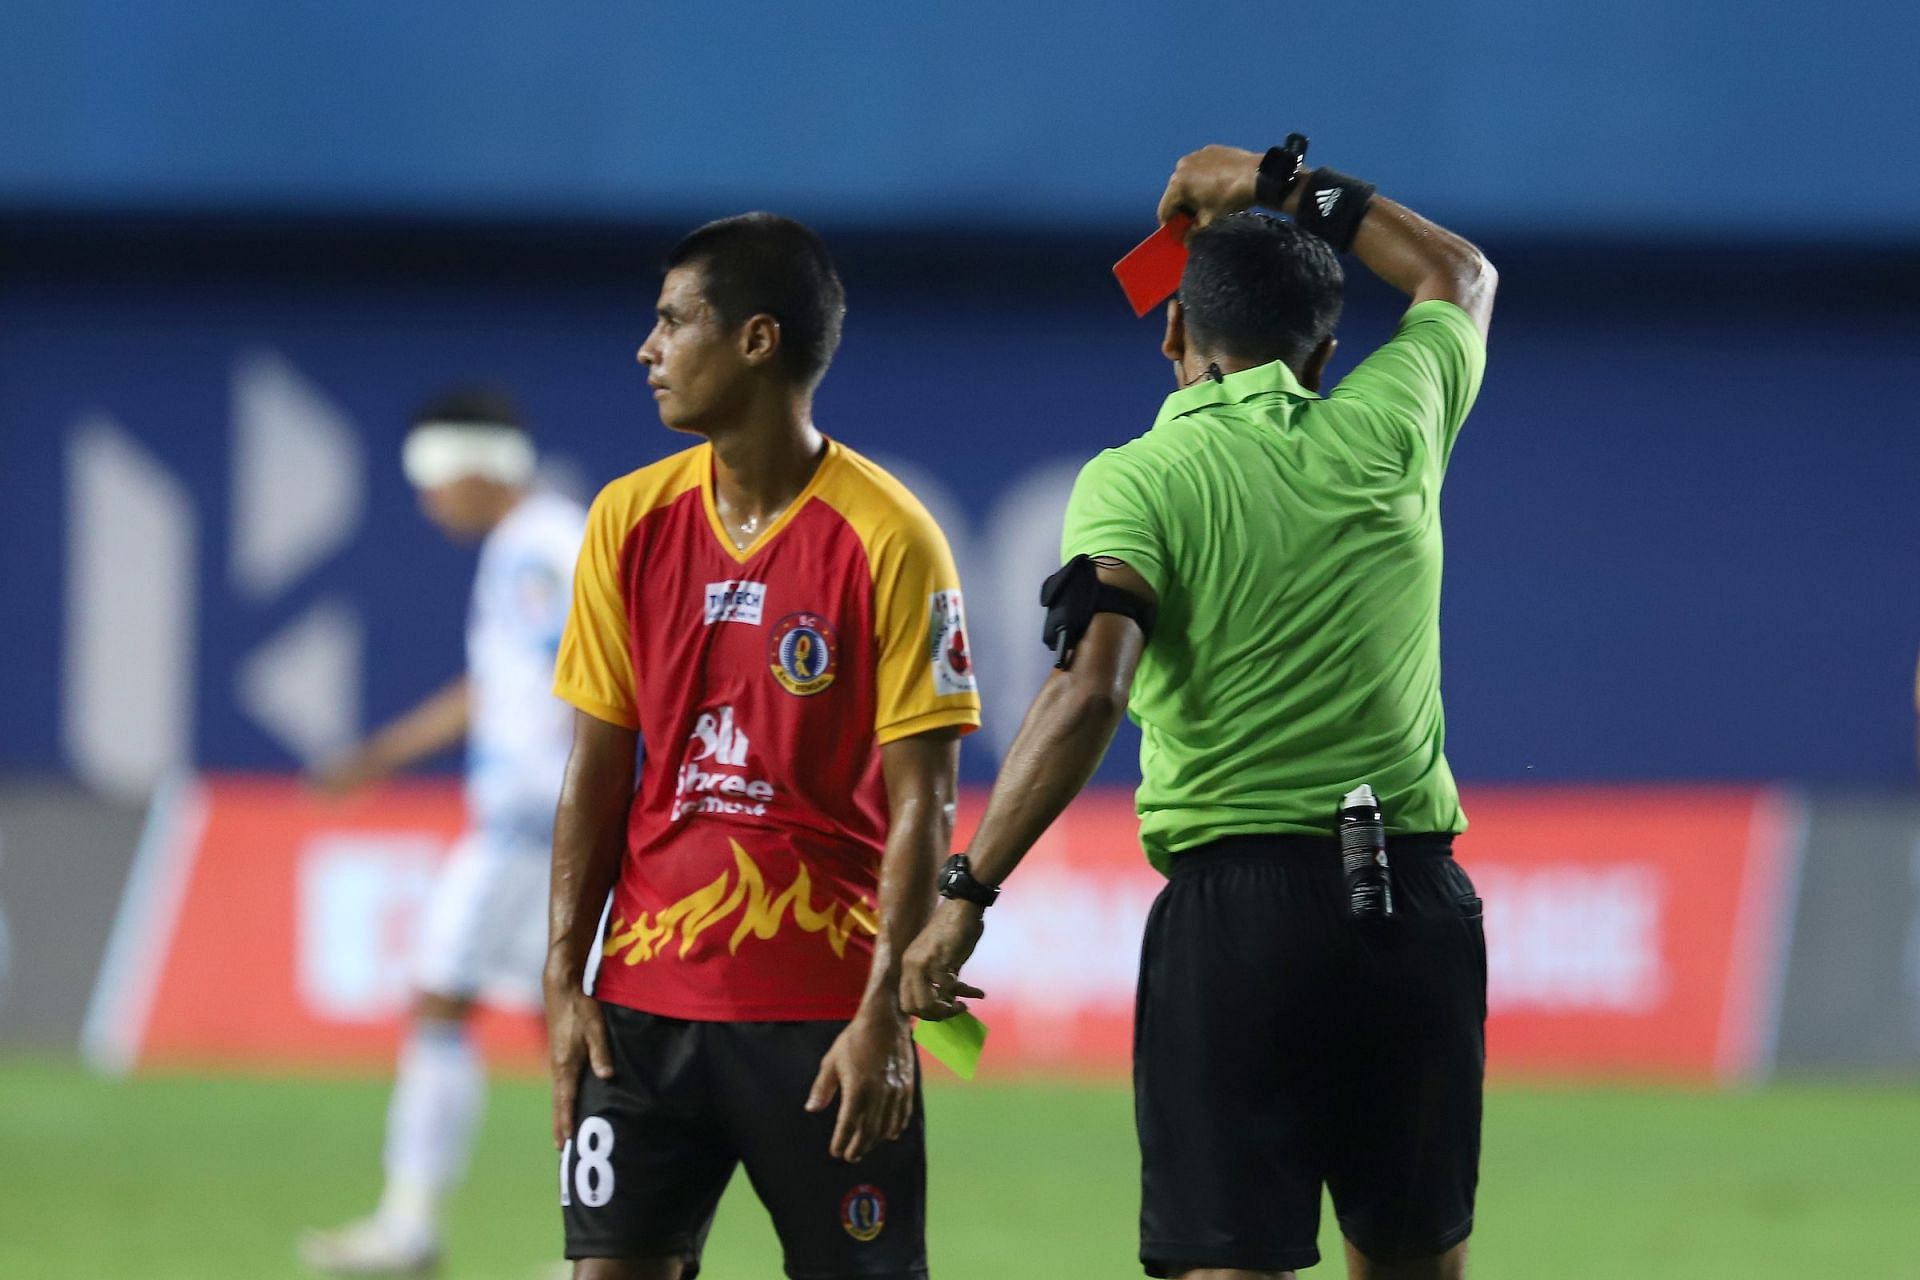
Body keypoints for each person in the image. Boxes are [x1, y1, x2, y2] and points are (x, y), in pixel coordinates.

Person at [900, 141, 1499, 1280]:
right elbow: (1456, 276)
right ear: (1325, 355)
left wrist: (966, 890)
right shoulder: (1393, 427)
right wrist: (1285, 188)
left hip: (1242, 923)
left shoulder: (1135, 481)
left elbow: (1089, 688)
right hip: (1416, 908)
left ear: (1172, 332)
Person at [546, 212, 980, 1280]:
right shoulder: (624, 520)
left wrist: (883, 1011)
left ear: (757, 340)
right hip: (643, 1009)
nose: (647, 346)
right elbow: (597, 772)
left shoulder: (892, 537)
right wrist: (563, 975)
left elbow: (923, 802)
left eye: (672, 319)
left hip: (824, 1015)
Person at [300, 388, 587, 1276]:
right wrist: (385, 752)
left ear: (475, 464)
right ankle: (607, 1241)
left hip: (532, 823)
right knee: (559, 1022)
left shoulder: (534, 549)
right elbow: (501, 685)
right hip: (542, 821)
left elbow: (583, 679)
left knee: (462, 1004)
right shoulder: (544, 540)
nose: (429, 501)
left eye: (432, 478)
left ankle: (417, 1226)